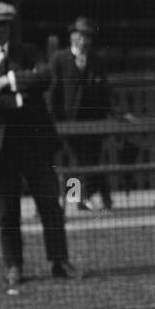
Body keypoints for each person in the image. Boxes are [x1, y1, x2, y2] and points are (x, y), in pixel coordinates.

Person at [0, 1, 78, 291]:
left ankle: (59, 260)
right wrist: (18, 99)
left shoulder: (27, 53)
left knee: (50, 205)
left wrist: (6, 80)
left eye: (4, 26)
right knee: (7, 212)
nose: (0, 32)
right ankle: (14, 266)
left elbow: (44, 77)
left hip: (34, 145)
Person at [49, 16, 126, 211]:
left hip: (93, 120)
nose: (85, 40)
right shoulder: (59, 59)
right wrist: (53, 119)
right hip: (69, 121)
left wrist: (118, 112)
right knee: (76, 161)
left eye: (88, 37)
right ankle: (77, 198)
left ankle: (97, 198)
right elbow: (53, 91)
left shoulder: (95, 59)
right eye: (81, 35)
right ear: (72, 36)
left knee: (94, 159)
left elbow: (105, 89)